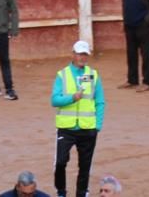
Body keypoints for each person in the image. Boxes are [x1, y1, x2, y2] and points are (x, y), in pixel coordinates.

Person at [50, 40, 104, 197]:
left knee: (85, 165)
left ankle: (81, 193)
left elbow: (100, 102)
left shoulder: (93, 75)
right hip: (66, 128)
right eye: (79, 53)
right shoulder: (62, 75)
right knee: (60, 162)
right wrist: (72, 98)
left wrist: (97, 125)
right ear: (73, 54)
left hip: (88, 128)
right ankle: (61, 191)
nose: (82, 57)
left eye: (85, 54)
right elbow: (54, 100)